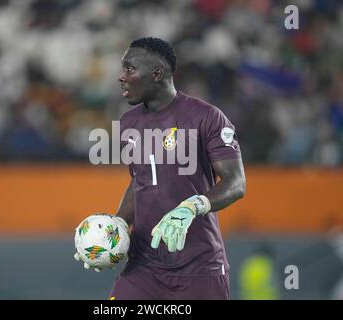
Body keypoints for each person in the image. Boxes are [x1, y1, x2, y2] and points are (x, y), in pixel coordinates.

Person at [77, 37, 246, 300]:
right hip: (143, 267)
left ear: (156, 74)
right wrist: (116, 227)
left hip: (199, 268)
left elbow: (235, 183)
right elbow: (140, 179)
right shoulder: (128, 123)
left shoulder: (206, 117)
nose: (121, 76)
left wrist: (193, 206)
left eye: (129, 69)